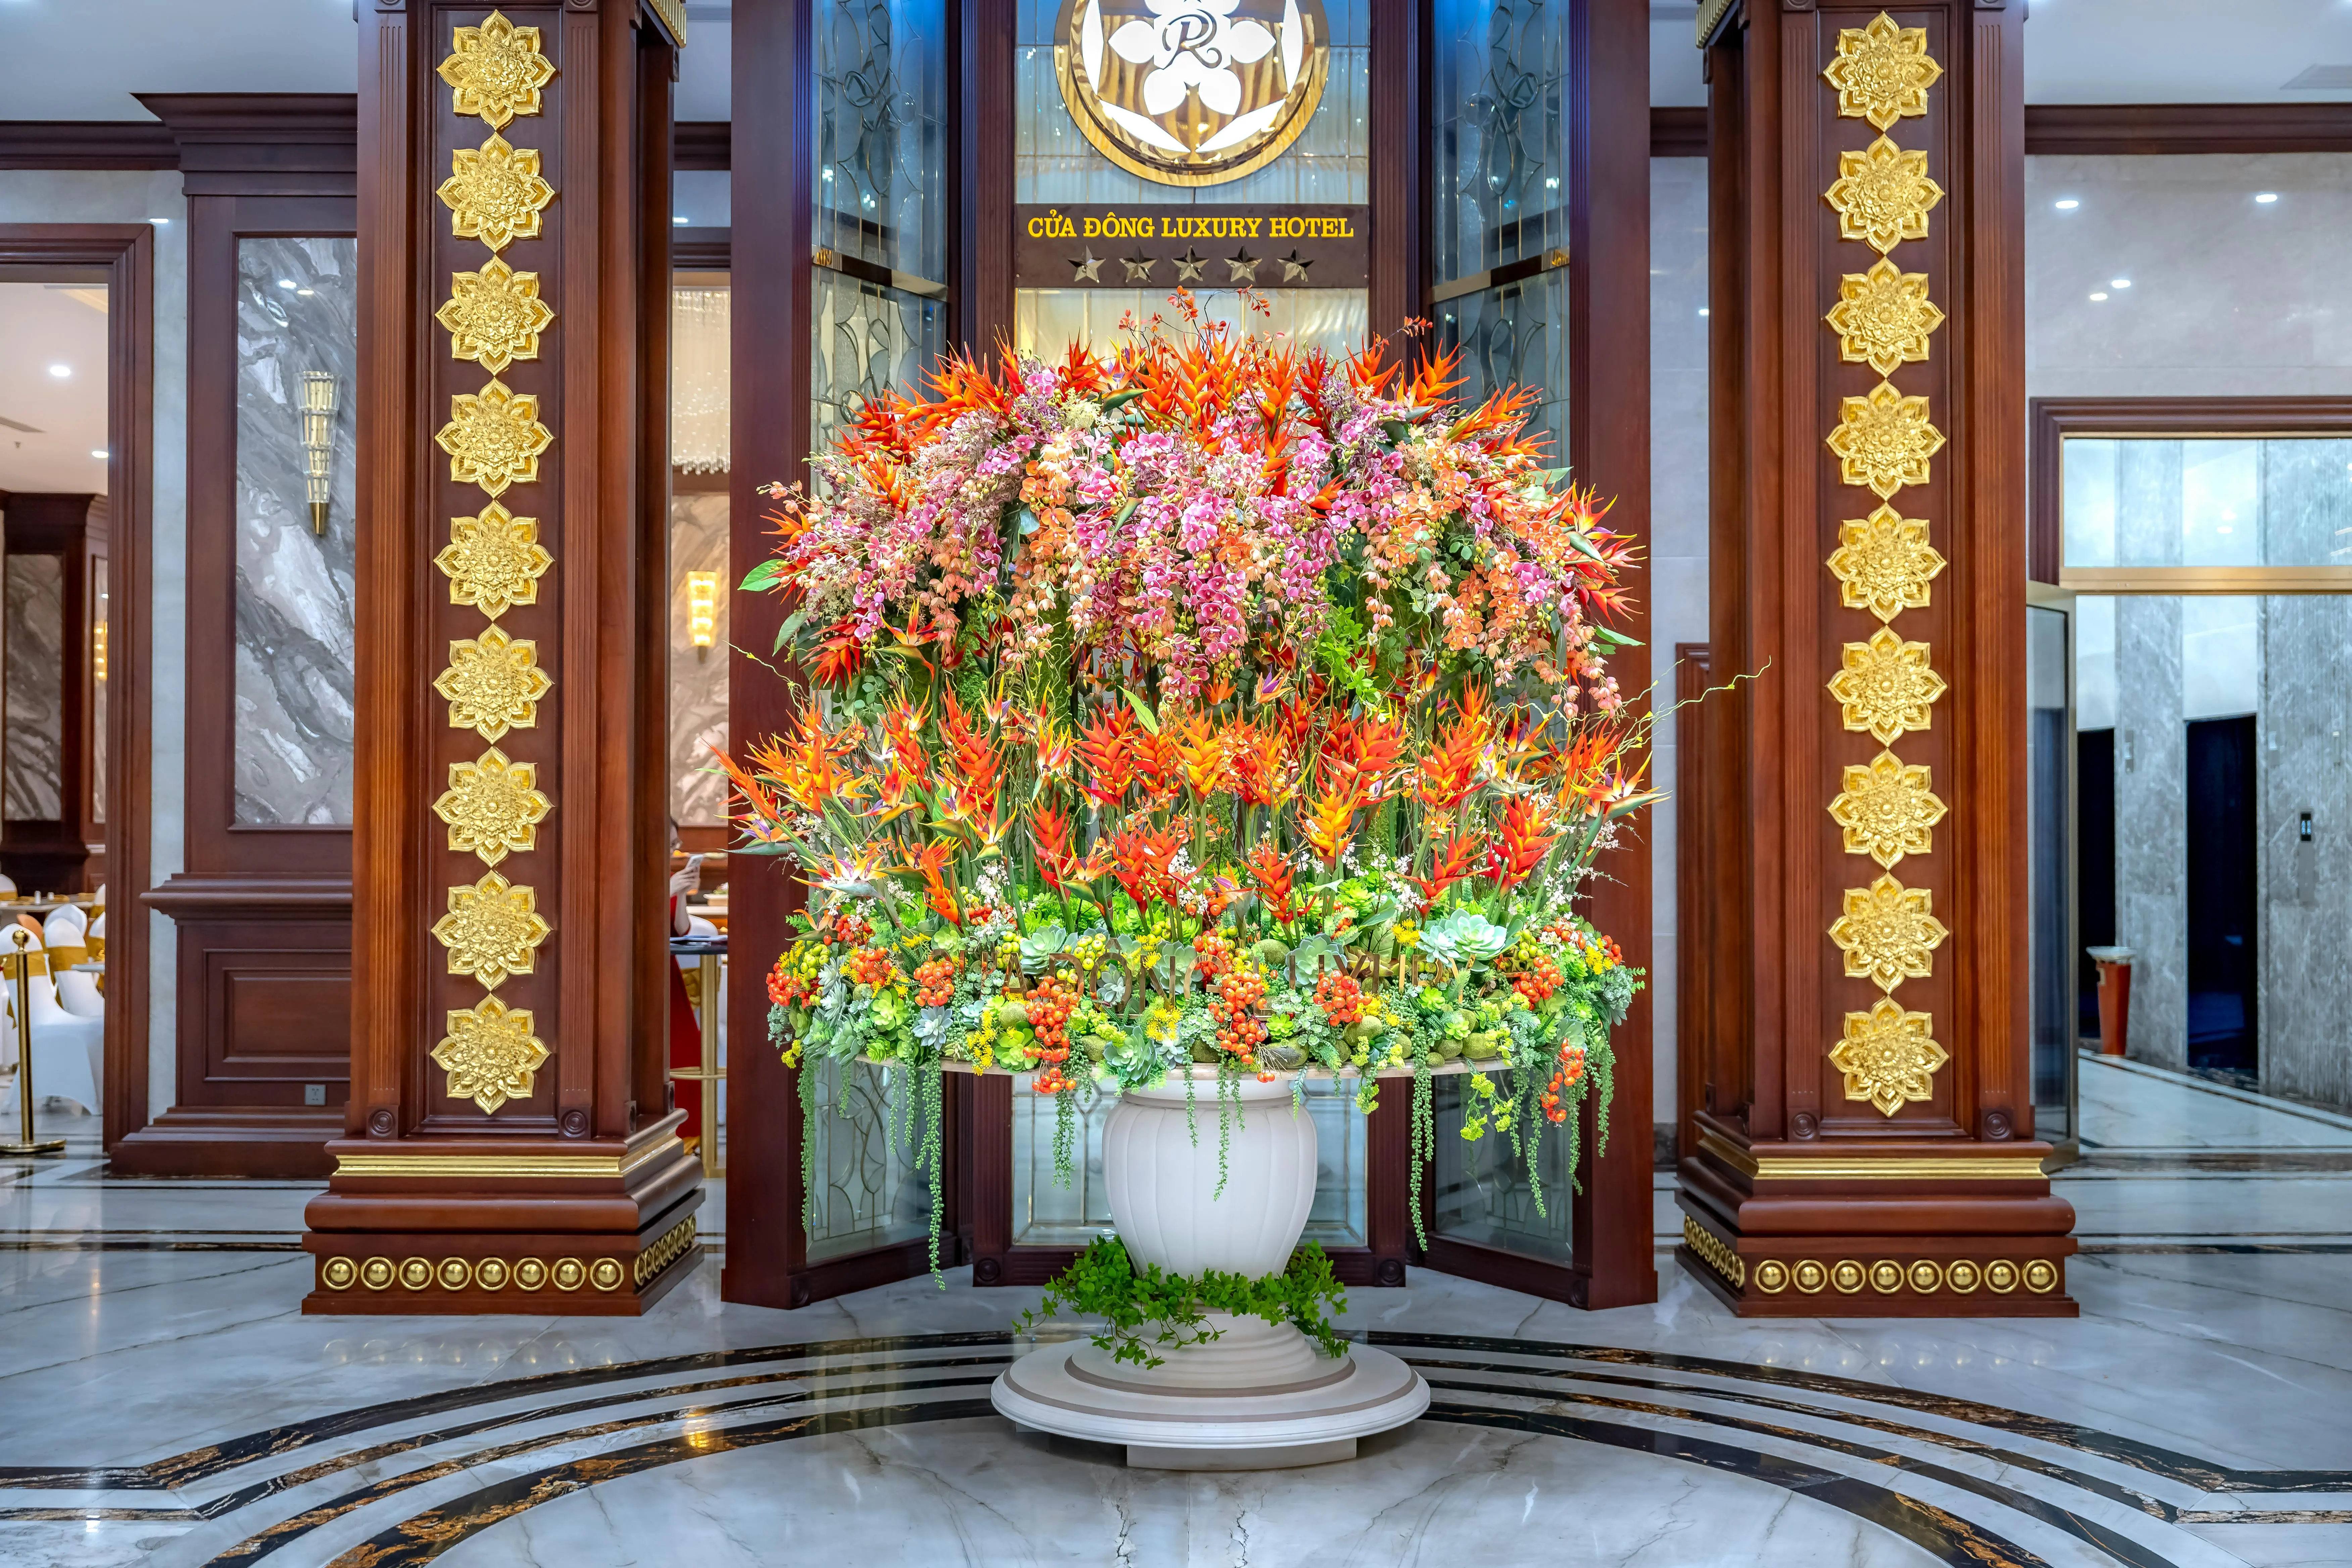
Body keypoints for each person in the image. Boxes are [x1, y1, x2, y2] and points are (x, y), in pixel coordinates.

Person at [667, 820, 704, 1152]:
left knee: (689, 1050)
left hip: (668, 972)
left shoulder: (667, 878)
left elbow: (680, 929)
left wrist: (679, 892)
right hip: (640, 973)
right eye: (670, 844)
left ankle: (689, 1135)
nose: (674, 850)